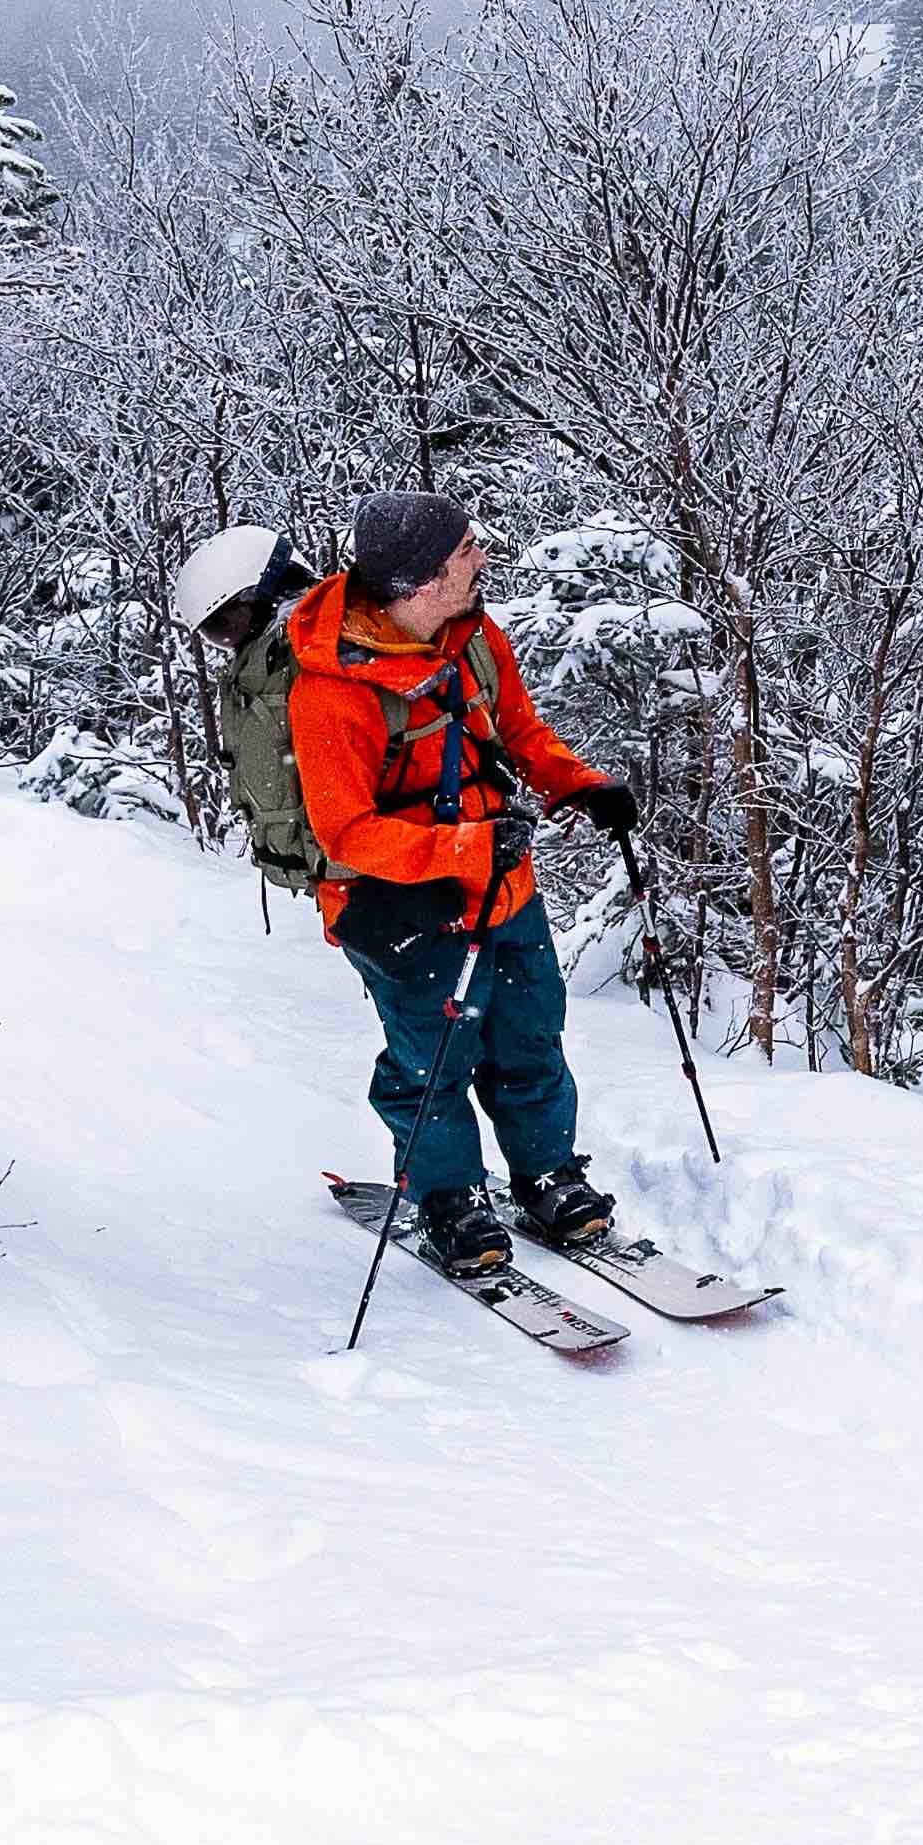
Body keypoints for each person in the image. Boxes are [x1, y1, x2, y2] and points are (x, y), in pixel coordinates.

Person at [268, 492, 640, 1285]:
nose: (483, 556)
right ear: (425, 579)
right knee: (432, 1060)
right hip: (405, 909)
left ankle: (546, 1175)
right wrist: (468, 846)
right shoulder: (331, 692)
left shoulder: (471, 637)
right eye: (467, 548)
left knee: (530, 1037)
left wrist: (579, 784)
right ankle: (449, 1200)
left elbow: (517, 731)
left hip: (504, 890)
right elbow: (347, 834)